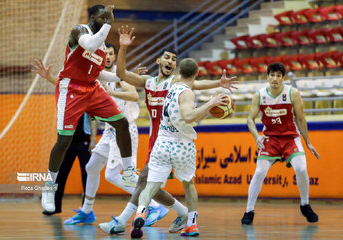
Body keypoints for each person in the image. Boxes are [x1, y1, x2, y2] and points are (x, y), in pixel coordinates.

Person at [98, 26, 238, 235]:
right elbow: (121, 73)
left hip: (173, 138)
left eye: (174, 59)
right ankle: (182, 213)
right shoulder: (148, 82)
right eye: (167, 58)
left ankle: (122, 221)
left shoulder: (177, 82)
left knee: (146, 184)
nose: (171, 61)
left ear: (176, 66)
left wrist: (219, 82)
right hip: (157, 139)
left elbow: (195, 83)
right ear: (159, 62)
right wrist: (123, 49)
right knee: (149, 186)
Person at [41, 5, 137, 216]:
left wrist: (124, 76)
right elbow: (90, 45)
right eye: (102, 16)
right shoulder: (79, 31)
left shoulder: (102, 47)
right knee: (64, 141)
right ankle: (49, 189)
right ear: (93, 17)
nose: (105, 19)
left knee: (122, 123)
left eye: (107, 16)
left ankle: (129, 171)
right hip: (71, 88)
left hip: (92, 88)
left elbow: (100, 73)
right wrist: (110, 22)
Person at [64, 43, 169, 226]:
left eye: (111, 54)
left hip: (125, 129)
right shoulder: (97, 75)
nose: (108, 57)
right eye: (105, 54)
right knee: (92, 167)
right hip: (109, 131)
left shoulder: (120, 75)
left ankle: (153, 205)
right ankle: (87, 211)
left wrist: (111, 91)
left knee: (113, 175)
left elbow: (135, 96)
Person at [130, 58, 229, 238]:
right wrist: (211, 103)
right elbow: (189, 116)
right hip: (181, 145)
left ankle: (140, 212)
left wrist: (208, 110)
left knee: (150, 187)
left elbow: (188, 111)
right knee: (189, 185)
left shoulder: (172, 85)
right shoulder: (187, 93)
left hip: (162, 143)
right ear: (197, 73)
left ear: (179, 72)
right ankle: (191, 224)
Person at [241, 63, 320, 225]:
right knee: (260, 171)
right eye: (272, 75)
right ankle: (249, 210)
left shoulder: (293, 93)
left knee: (301, 168)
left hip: (291, 137)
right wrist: (257, 136)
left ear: (283, 78)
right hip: (270, 138)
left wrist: (308, 142)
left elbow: (300, 119)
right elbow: (250, 119)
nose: (275, 78)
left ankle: (305, 204)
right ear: (267, 76)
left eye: (278, 75)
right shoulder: (260, 95)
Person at [31, 60, 97, 215]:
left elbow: (94, 118)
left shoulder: (88, 90)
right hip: (67, 139)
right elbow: (58, 82)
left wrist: (93, 139)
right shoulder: (66, 90)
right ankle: (55, 205)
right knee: (60, 173)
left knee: (86, 172)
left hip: (83, 139)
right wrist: (48, 76)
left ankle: (85, 208)